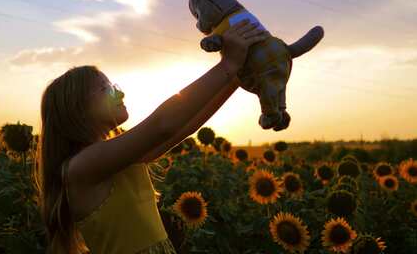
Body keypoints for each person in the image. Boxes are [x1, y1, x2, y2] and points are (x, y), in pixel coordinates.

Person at [34, 19, 269, 254]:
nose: (121, 93)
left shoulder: (115, 159)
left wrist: (236, 78)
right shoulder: (82, 167)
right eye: (107, 89)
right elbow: (163, 124)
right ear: (79, 108)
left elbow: (182, 128)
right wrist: (227, 66)